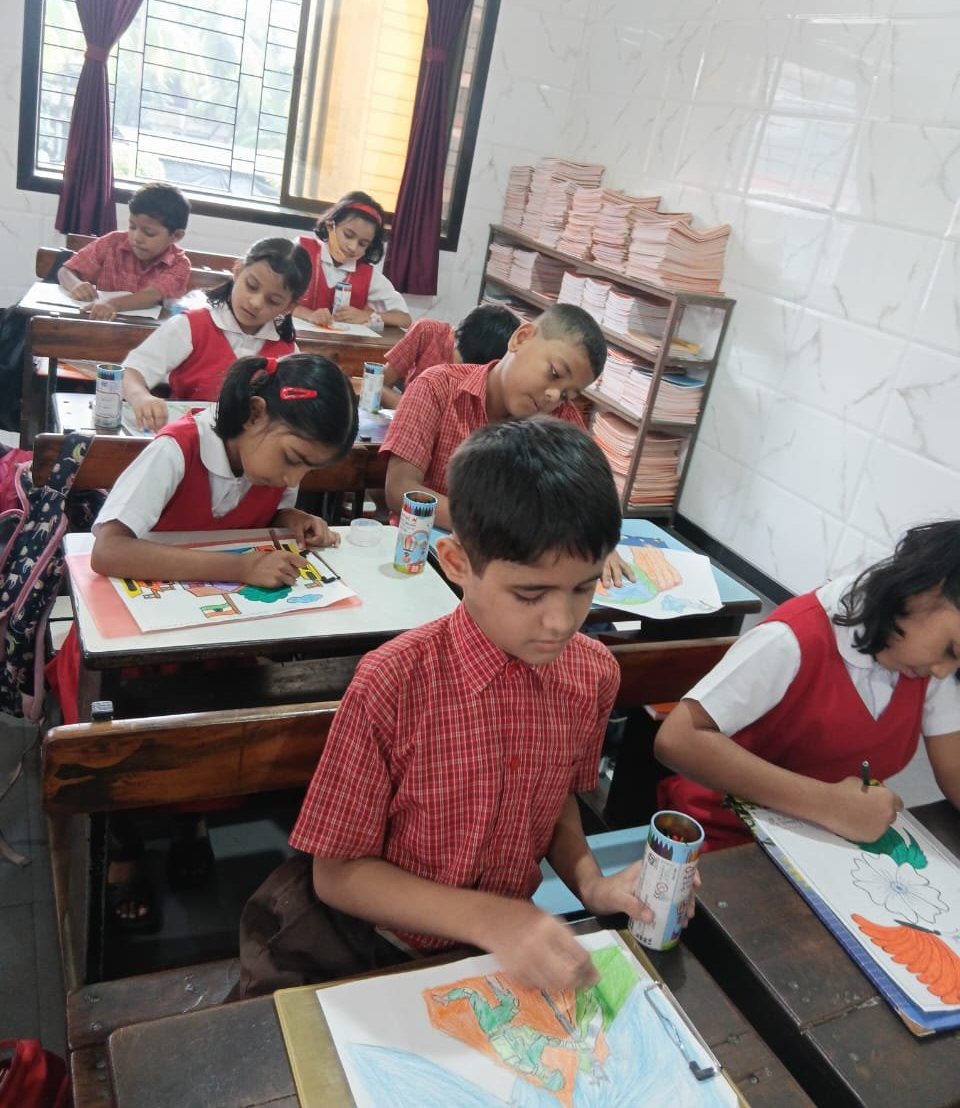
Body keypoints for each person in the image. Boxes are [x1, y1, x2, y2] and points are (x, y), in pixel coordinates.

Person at [232, 417, 686, 1000]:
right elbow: (337, 874)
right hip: (373, 947)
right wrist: (491, 919)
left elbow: (555, 806)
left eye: (583, 588)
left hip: (491, 955)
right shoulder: (393, 683)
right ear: (456, 562)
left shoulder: (592, 673)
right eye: (529, 593)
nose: (560, 621)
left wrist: (591, 886)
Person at [49, 352, 359, 930]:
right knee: (136, 745)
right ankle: (123, 848)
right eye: (293, 459)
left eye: (306, 470)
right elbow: (108, 551)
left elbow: (271, 510)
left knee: (216, 720)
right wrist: (237, 568)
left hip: (207, 638)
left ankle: (190, 818)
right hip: (135, 646)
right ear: (255, 413)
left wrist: (294, 522)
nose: (291, 479)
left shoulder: (267, 465)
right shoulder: (176, 451)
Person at [655, 521, 960, 851]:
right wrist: (827, 804)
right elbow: (678, 740)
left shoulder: (925, 664)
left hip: (824, 844)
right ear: (922, 591)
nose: (945, 671)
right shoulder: (793, 640)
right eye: (951, 649)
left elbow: (954, 768)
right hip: (725, 838)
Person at [380, 302, 631, 586]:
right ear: (521, 339)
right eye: (554, 374)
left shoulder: (561, 421)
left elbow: (588, 502)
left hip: (513, 571)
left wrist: (597, 541)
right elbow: (400, 490)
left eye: (566, 395)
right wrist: (497, 529)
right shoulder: (437, 387)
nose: (553, 396)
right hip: (421, 559)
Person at [122, 237, 311, 431]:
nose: (255, 303)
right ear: (237, 270)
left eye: (273, 300)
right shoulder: (192, 325)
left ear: (288, 307)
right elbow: (130, 371)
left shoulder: (288, 353)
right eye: (251, 285)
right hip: (186, 438)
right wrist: (141, 398)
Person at [57, 183, 191, 320]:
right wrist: (76, 285)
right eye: (132, 227)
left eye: (149, 233)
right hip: (100, 324)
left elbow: (151, 296)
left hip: (146, 330)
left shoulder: (179, 263)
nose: (136, 238)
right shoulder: (112, 243)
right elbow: (65, 271)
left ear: (176, 236)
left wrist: (112, 304)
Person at [294, 190, 411, 330]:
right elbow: (274, 297)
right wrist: (309, 315)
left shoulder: (368, 275)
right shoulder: (301, 251)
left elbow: (405, 319)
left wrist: (366, 316)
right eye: (348, 235)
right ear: (330, 226)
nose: (352, 247)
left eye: (363, 244)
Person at [379, 304, 520, 410]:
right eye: (462, 361)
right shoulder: (426, 332)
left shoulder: (496, 371)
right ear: (454, 335)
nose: (461, 372)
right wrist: (412, 408)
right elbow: (380, 384)